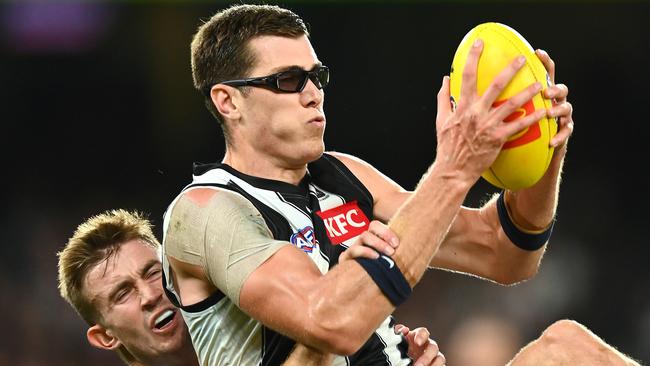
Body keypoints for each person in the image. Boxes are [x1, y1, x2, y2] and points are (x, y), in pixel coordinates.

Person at [161, 4, 639, 365]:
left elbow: (506, 254)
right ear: (227, 101)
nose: (313, 94)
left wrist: (541, 151)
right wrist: (453, 167)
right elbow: (330, 323)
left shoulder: (342, 174)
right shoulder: (204, 209)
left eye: (316, 77)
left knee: (566, 347)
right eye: (288, 80)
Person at [57, 209, 445, 366]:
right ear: (103, 336)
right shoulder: (305, 328)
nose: (149, 295)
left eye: (153, 272)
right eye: (122, 294)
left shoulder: (273, 321)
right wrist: (328, 321)